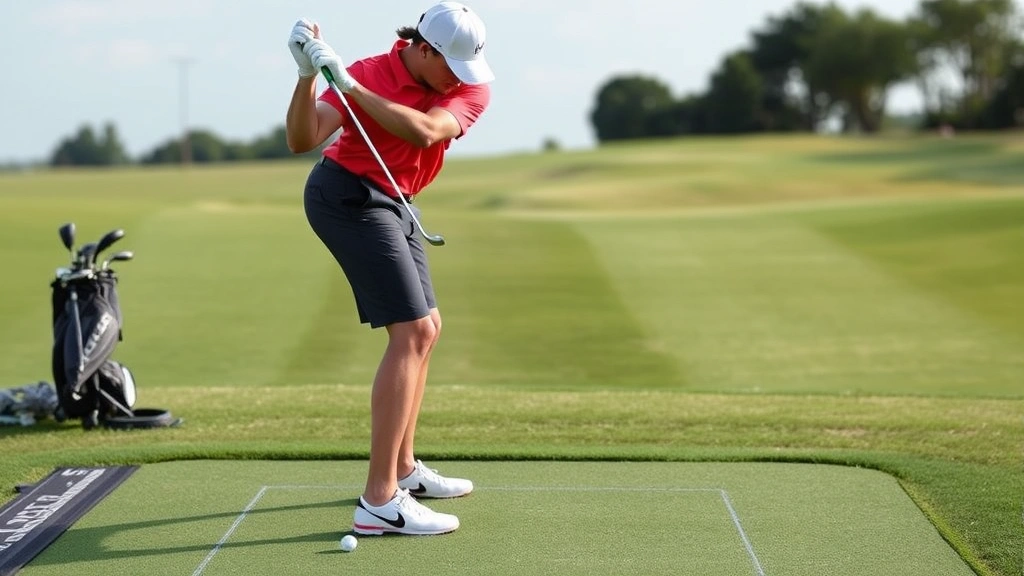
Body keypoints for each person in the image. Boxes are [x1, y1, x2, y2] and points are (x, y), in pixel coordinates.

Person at [284, 2, 493, 536]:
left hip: (397, 201)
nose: (460, 80)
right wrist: (308, 78)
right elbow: (303, 139)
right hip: (345, 197)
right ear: (422, 49)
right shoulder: (374, 70)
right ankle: (379, 499)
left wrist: (349, 87)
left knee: (429, 330)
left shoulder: (468, 88)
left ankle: (404, 469)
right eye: (451, 66)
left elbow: (426, 132)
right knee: (413, 331)